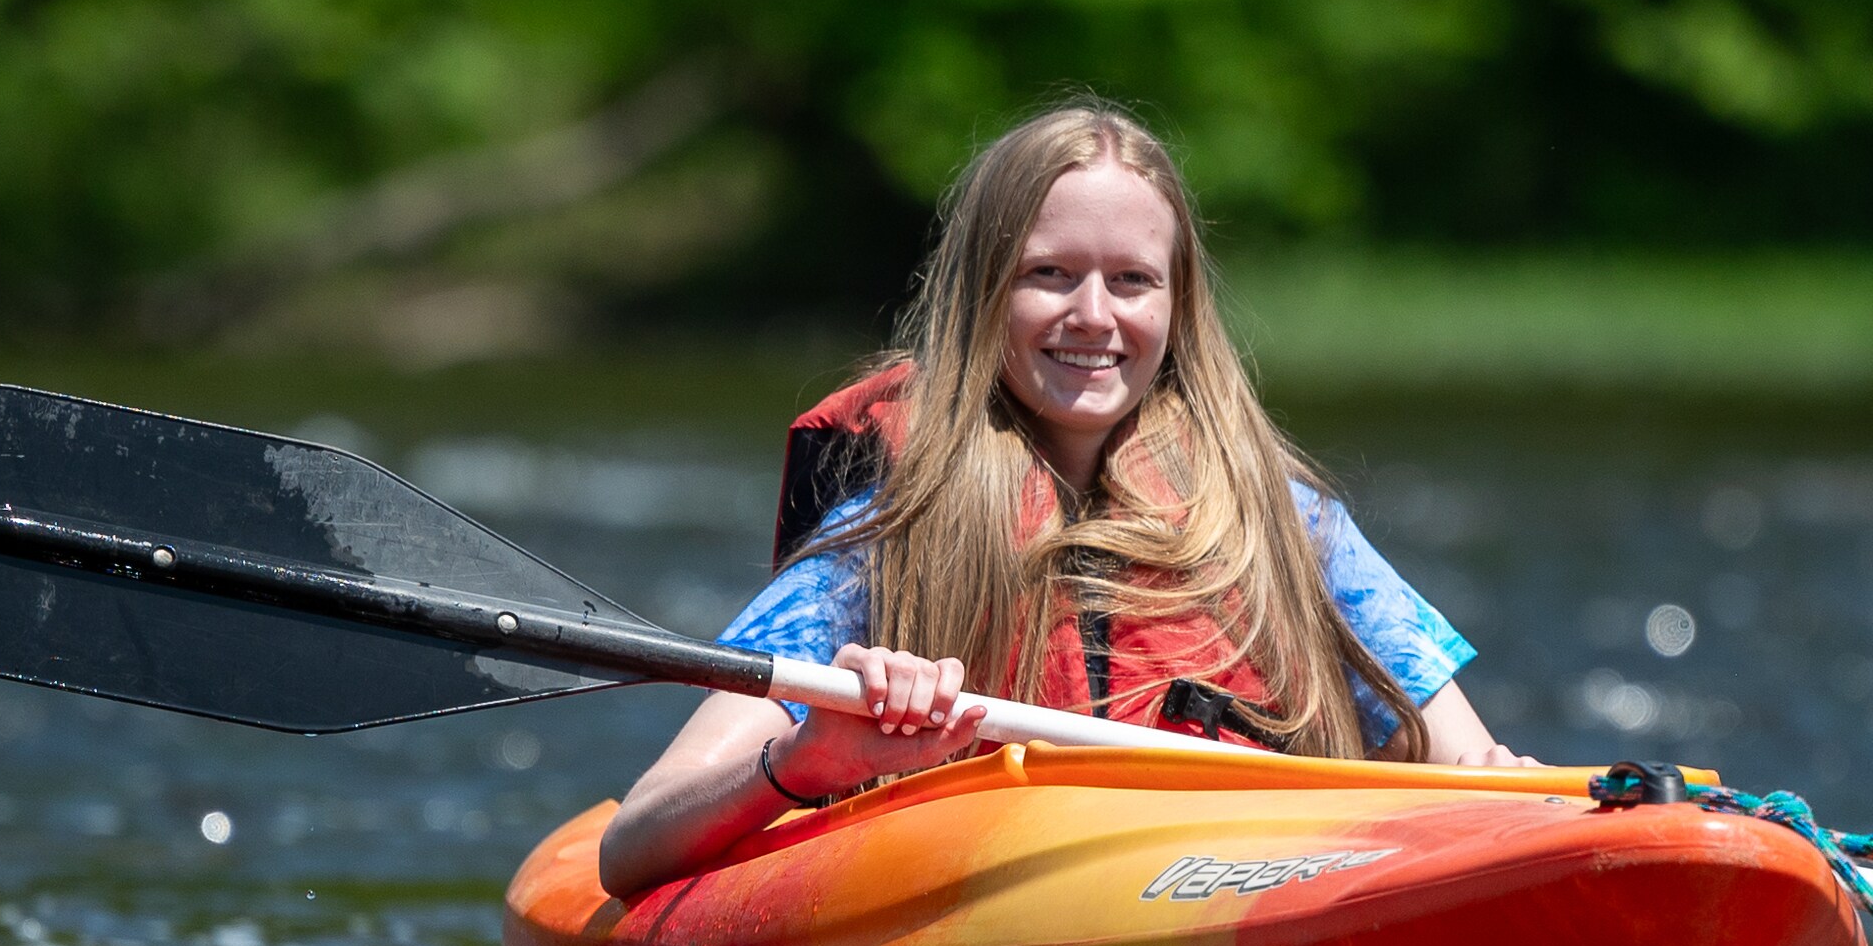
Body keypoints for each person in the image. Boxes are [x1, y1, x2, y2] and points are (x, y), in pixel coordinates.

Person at [599, 102, 1536, 896]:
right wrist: (802, 766)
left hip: (1261, 895)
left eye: (1132, 280)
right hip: (1013, 921)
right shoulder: (887, 542)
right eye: (1049, 274)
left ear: (1176, 307)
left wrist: (1517, 795)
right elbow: (633, 841)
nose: (1094, 315)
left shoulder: (1293, 532)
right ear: (983, 295)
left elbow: (1470, 762)